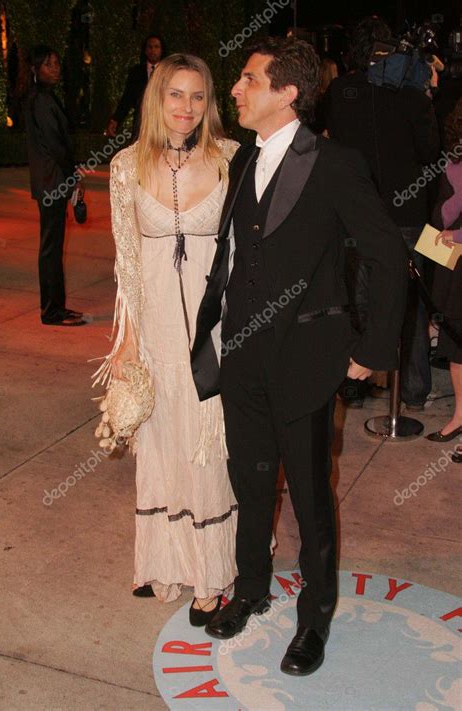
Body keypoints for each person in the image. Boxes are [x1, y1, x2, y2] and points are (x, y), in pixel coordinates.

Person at [191, 37, 407, 674]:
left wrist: (369, 350)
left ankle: (314, 620)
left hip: (307, 361)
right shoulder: (241, 162)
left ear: (287, 93)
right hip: (243, 359)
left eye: (248, 80)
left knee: (312, 500)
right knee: (250, 484)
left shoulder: (334, 163)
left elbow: (387, 255)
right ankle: (252, 590)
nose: (235, 90)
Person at [97, 54, 239, 626]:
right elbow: (126, 260)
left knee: (209, 444)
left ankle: (212, 571)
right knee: (159, 441)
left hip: (218, 327)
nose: (186, 108)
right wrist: (127, 343)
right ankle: (163, 562)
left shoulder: (232, 158)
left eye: (198, 96)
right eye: (175, 95)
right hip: (154, 323)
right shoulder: (125, 166)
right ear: (156, 100)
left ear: (211, 104)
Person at [324, 16, 440, 409]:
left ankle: (353, 386)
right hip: (409, 215)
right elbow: (431, 156)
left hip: (358, 214)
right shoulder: (412, 97)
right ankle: (413, 391)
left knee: (356, 302)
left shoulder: (341, 92)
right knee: (410, 303)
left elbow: (335, 149)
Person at [25, 45, 86, 326]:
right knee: (51, 248)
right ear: (35, 69)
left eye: (57, 64)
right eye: (49, 64)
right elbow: (55, 144)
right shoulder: (40, 100)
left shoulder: (46, 97)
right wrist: (72, 175)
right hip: (52, 183)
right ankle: (51, 311)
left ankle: (55, 307)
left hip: (52, 181)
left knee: (53, 246)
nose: (56, 68)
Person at [426, 98, 462, 460]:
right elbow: (440, 217)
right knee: (456, 345)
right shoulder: (452, 166)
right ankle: (460, 416)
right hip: (455, 269)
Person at [104, 34, 164, 141]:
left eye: (156, 47)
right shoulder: (136, 72)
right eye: (150, 47)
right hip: (141, 124)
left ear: (161, 50)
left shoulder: (168, 72)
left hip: (164, 123)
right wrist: (115, 120)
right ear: (145, 50)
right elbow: (127, 99)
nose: (153, 50)